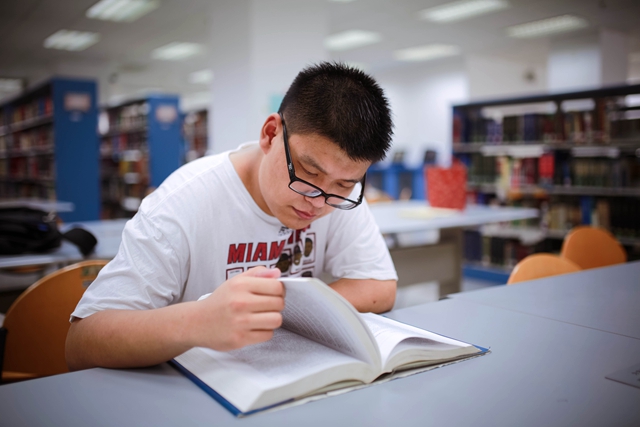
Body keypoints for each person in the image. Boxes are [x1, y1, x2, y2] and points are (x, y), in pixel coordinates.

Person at [66, 62, 398, 371]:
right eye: (308, 173)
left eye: (344, 184)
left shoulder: (336, 196)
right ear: (270, 134)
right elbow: (81, 343)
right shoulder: (185, 200)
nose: (318, 202)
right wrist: (198, 321)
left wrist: (282, 308)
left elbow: (379, 286)